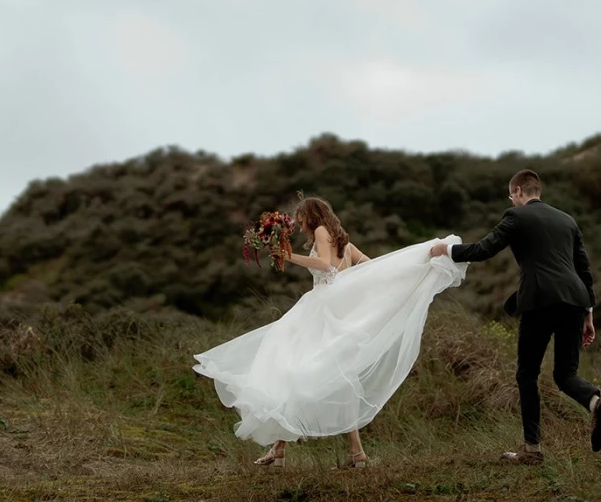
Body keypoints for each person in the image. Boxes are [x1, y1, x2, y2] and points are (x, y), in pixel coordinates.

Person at [194, 194, 466, 468]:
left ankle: (304, 450)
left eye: (301, 221)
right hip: (336, 312)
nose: (300, 227)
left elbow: (324, 265)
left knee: (294, 370)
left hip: (322, 311)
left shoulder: (322, 232)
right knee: (318, 374)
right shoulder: (344, 242)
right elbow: (369, 266)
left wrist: (289, 256)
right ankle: (329, 452)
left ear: (312, 218)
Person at [431, 169, 601, 463]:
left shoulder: (515, 217)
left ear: (518, 192)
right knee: (566, 374)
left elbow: (484, 249)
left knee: (527, 374)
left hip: (539, 301)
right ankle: (595, 401)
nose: (511, 201)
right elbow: (584, 269)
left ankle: (532, 449)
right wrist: (588, 313)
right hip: (575, 301)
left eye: (511, 196)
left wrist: (447, 249)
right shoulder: (567, 220)